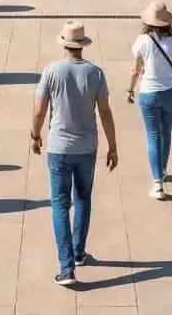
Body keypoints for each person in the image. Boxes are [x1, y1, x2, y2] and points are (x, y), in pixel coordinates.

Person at [31, 21, 118, 287]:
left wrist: (35, 135)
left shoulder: (51, 72)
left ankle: (66, 267)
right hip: (87, 148)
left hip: (58, 148)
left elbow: (39, 110)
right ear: (82, 45)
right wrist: (112, 145)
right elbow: (104, 111)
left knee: (59, 205)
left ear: (64, 45)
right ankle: (79, 252)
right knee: (83, 199)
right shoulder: (95, 73)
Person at [127, 1, 172, 199]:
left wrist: (130, 89)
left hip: (148, 94)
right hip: (171, 92)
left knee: (153, 135)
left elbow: (136, 70)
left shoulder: (142, 41)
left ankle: (157, 184)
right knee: (166, 132)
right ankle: (162, 169)